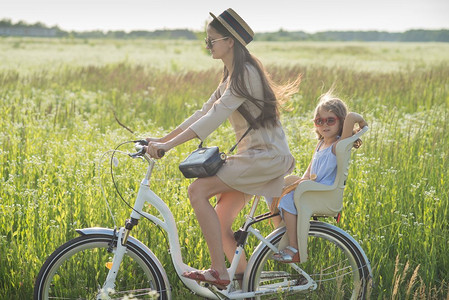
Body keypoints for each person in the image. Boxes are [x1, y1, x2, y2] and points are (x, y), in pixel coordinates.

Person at [145, 8, 300, 288]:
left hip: (266, 158)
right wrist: (161, 139)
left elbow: (214, 119)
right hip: (253, 157)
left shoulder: (245, 74)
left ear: (230, 41)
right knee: (220, 217)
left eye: (211, 40)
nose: (207, 46)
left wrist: (167, 146)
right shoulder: (231, 75)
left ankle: (219, 270)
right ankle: (240, 277)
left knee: (198, 190)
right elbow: (204, 112)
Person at [270, 93, 367, 263]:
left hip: (322, 193)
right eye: (319, 121)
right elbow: (308, 174)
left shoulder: (338, 145)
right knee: (272, 191)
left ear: (341, 122)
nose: (324, 125)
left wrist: (362, 122)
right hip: (310, 189)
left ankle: (295, 248)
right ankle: (282, 232)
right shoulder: (321, 144)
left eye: (330, 120)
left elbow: (351, 117)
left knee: (286, 201)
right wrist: (294, 185)